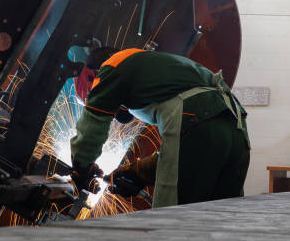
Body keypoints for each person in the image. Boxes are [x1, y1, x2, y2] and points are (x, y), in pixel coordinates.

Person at [70, 47, 250, 207]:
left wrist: (82, 168)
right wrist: (139, 171)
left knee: (171, 220)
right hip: (237, 128)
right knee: (223, 215)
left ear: (92, 75)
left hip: (197, 120)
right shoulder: (159, 69)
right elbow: (196, 149)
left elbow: (93, 123)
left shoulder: (112, 65)